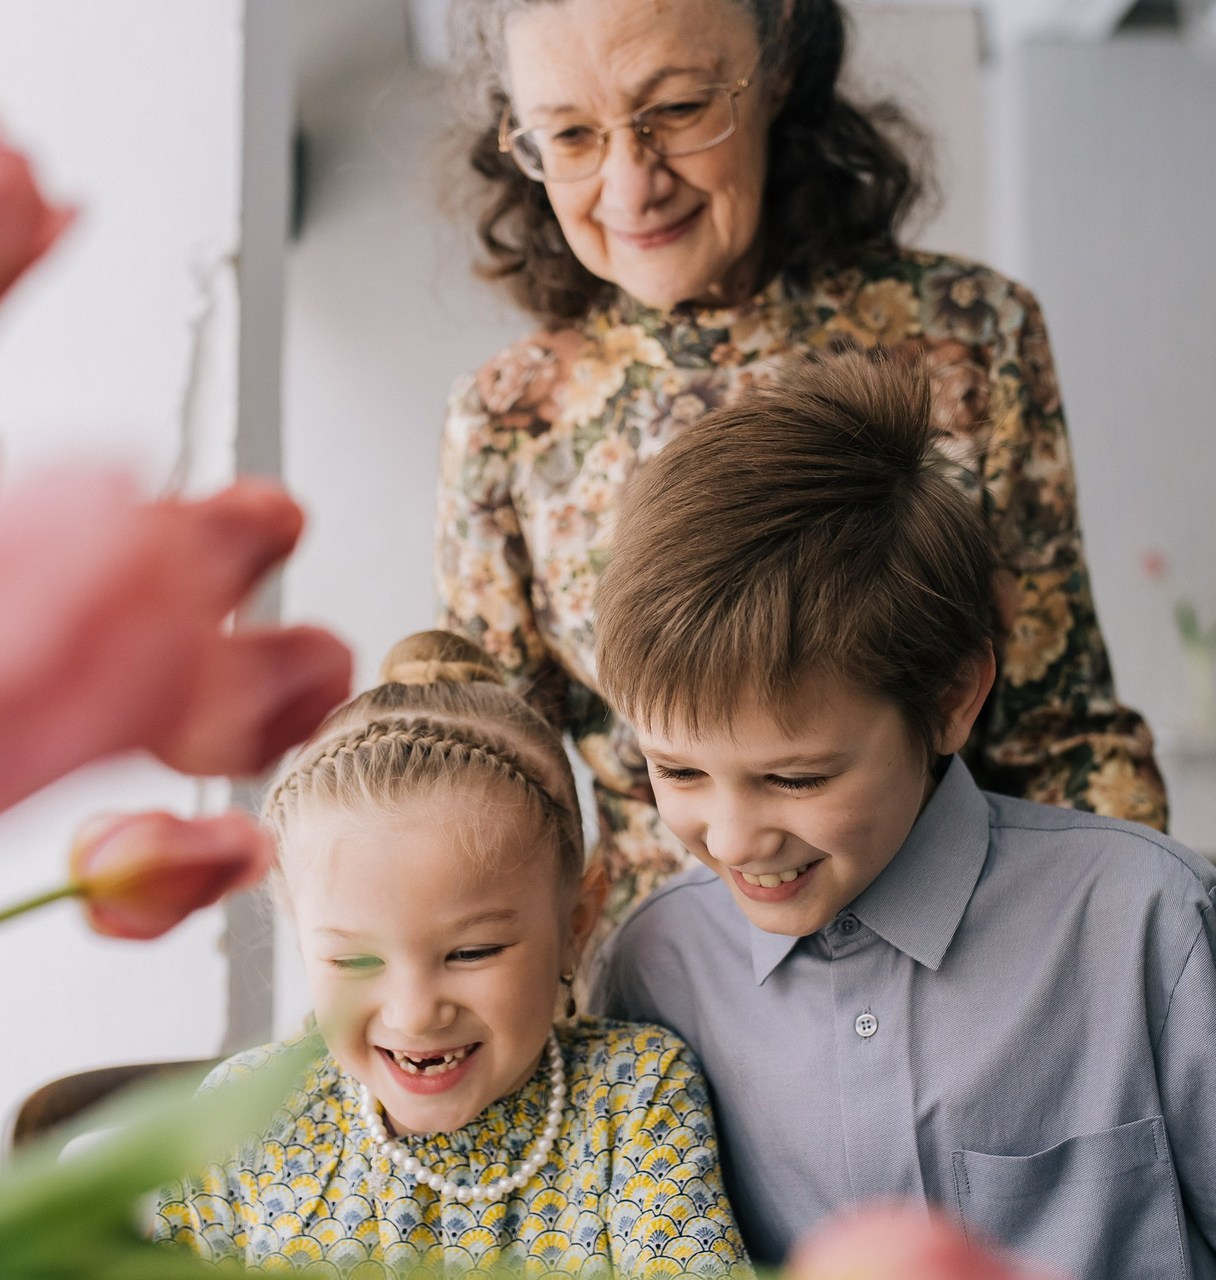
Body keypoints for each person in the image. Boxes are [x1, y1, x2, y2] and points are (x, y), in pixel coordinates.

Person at [434, 0, 1166, 930]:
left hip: (969, 944)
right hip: (667, 982)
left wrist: (1117, 952)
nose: (631, 185)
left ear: (778, 61)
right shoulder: (507, 419)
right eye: (571, 135)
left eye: (679, 110)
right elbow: (494, 796)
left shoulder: (973, 337)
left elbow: (1061, 735)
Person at [588, 353, 1216, 1277]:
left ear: (954, 699)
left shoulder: (1152, 925)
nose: (731, 838)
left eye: (795, 778)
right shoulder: (655, 971)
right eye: (677, 771)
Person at [154, 630, 750, 1276]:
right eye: (356, 961)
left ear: (576, 924)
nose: (415, 1014)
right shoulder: (246, 1114)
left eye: (472, 953)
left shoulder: (633, 1097)